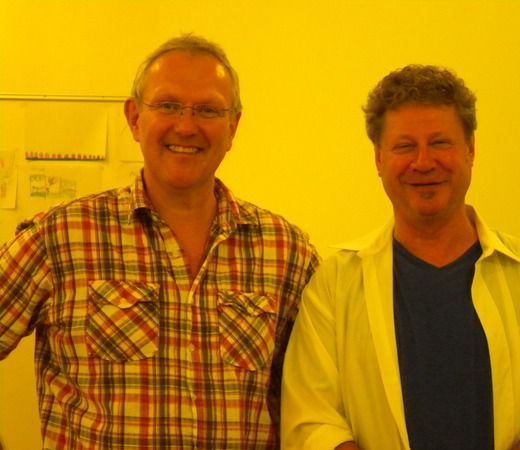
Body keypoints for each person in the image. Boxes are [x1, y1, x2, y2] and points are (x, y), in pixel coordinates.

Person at [0, 34, 319, 449]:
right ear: (135, 118)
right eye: (167, 106)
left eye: (208, 110)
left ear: (233, 127)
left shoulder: (288, 253)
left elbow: (318, 405)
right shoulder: (60, 237)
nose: (186, 126)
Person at [281, 65, 520, 449]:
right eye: (405, 146)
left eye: (440, 143)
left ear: (471, 150)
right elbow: (312, 423)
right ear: (378, 159)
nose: (423, 162)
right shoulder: (333, 288)